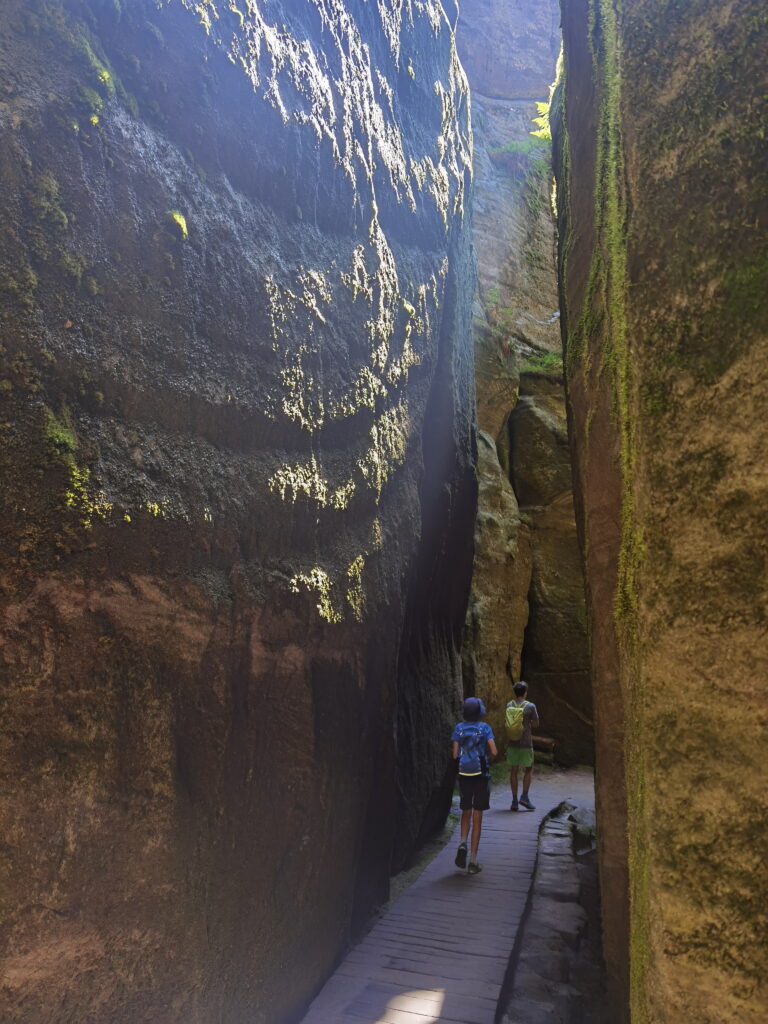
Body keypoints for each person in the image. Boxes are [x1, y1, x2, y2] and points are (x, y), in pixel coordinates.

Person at [451, 697, 497, 875]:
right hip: (481, 776)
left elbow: (455, 755)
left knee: (466, 811)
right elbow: (493, 751)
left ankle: (462, 842)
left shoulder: (459, 728)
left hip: (464, 775)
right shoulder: (485, 728)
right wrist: (486, 757)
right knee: (477, 817)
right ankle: (473, 862)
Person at [506, 681, 540, 811]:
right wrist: (529, 723)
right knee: (529, 769)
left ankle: (514, 801)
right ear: (525, 692)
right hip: (525, 743)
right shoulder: (530, 706)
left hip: (512, 742)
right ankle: (524, 797)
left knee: (513, 771)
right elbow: (536, 724)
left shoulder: (509, 705)